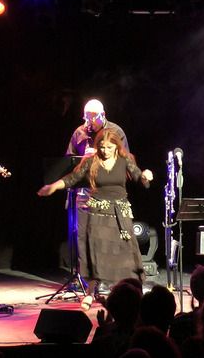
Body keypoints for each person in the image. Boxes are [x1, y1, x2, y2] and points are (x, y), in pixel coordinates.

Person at [38, 128, 153, 310]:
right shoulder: (91, 161)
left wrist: (146, 175)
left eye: (108, 147)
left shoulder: (125, 160)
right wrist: (54, 186)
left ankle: (131, 292)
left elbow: (141, 179)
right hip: (98, 213)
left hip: (120, 213)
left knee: (126, 254)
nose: (104, 151)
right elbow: (72, 178)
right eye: (101, 147)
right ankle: (91, 293)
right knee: (96, 255)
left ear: (116, 146)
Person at [63, 99, 129, 283]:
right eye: (86, 118)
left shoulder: (116, 132)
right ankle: (85, 279)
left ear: (103, 115)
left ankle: (108, 279)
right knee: (83, 236)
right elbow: (68, 161)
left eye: (93, 118)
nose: (89, 122)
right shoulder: (79, 132)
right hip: (84, 192)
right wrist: (84, 158)